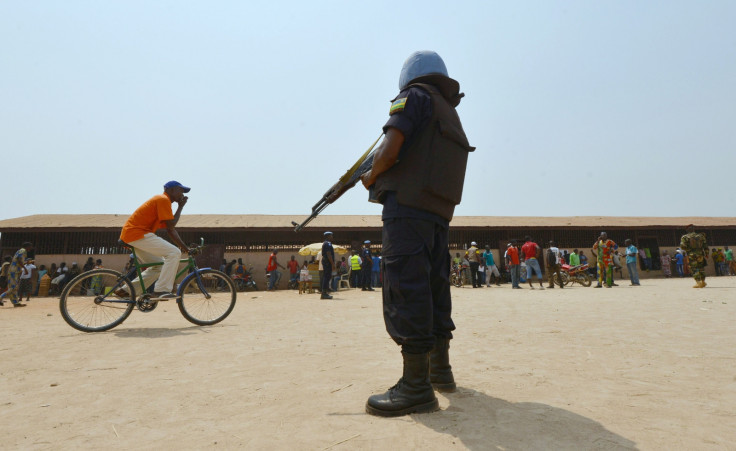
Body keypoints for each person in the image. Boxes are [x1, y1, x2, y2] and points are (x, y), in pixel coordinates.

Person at [360, 51, 472, 417]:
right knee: (435, 288)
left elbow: (390, 152)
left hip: (406, 211)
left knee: (406, 289)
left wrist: (371, 176)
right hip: (438, 214)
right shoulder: (448, 110)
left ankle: (416, 387)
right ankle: (440, 370)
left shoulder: (412, 97)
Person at [119, 181, 192, 300]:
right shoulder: (163, 199)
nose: (182, 194)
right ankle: (161, 290)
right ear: (171, 190)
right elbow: (171, 227)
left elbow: (170, 229)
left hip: (132, 235)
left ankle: (126, 291)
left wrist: (186, 249)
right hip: (138, 234)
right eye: (180, 190)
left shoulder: (163, 201)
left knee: (159, 265)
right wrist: (180, 207)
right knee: (174, 253)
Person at [0, 242, 33, 307]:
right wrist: (25, 268)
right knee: (13, 288)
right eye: (30, 246)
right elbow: (19, 259)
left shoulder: (20, 251)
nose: (31, 248)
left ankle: (16, 303)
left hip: (14, 271)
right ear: (28, 246)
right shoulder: (23, 250)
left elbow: (19, 260)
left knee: (14, 288)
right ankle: (0, 297)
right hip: (14, 271)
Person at [321, 232, 336, 299]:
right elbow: (329, 254)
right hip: (327, 262)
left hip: (326, 261)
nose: (332, 237)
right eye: (331, 236)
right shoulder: (328, 243)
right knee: (326, 277)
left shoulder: (326, 243)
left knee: (327, 276)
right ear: (328, 236)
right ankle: (324, 293)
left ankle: (325, 291)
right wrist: (332, 264)